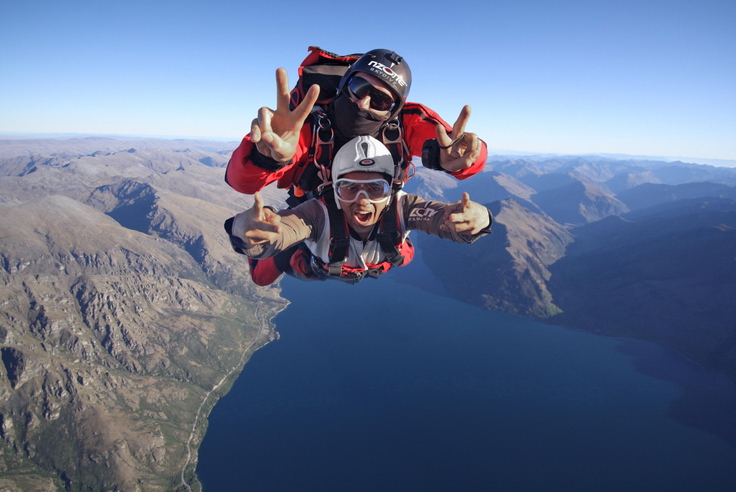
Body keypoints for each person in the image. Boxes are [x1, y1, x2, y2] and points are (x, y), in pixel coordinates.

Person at [225, 47, 488, 200]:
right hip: (312, 209)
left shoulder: (407, 123)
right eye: (359, 86)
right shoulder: (303, 124)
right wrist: (266, 158)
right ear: (343, 83)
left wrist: (457, 157)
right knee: (267, 270)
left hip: (374, 210)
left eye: (380, 101)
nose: (362, 104)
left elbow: (462, 149)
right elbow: (242, 183)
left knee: (399, 253)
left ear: (393, 110)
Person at [225, 136, 492, 284]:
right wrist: (248, 233)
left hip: (370, 262)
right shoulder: (318, 213)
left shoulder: (403, 207)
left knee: (404, 253)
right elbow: (285, 229)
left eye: (375, 188)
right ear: (335, 190)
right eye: (350, 188)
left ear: (391, 189)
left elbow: (443, 219)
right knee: (262, 277)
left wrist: (478, 220)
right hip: (317, 265)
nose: (362, 200)